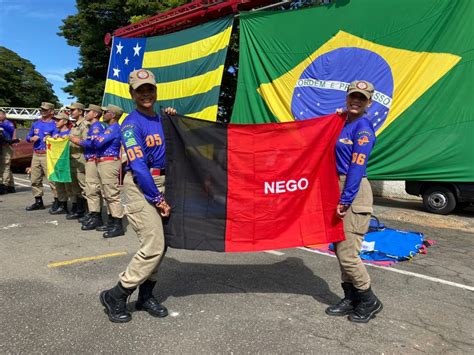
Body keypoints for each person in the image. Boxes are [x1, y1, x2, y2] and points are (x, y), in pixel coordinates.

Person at [100, 69, 175, 323]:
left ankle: (146, 296)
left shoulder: (161, 118)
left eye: (150, 89)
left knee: (161, 247)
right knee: (153, 245)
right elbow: (139, 166)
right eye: (140, 90)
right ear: (131, 93)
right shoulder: (131, 124)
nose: (146, 94)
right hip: (142, 187)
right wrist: (158, 199)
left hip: (164, 182)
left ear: (155, 90)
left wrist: (174, 121)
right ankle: (117, 294)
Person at [325, 80, 383, 323]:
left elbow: (356, 167)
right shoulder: (344, 123)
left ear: (369, 102)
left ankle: (369, 299)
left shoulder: (363, 128)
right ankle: (351, 297)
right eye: (353, 96)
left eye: (362, 98)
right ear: (347, 98)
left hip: (354, 189)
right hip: (338, 187)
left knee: (349, 253)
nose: (356, 101)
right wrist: (336, 118)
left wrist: (346, 199)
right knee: (340, 248)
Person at [88, 104, 125, 238]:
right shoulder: (108, 128)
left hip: (109, 162)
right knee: (106, 193)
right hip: (103, 161)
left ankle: (117, 224)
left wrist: (94, 139)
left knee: (111, 193)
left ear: (113, 115)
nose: (104, 114)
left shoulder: (113, 129)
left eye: (106, 112)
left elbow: (97, 143)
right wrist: (94, 139)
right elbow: (95, 141)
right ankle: (111, 221)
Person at [69, 104, 106, 229]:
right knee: (90, 189)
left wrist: (76, 141)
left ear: (95, 114)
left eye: (89, 111)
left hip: (92, 159)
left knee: (92, 188)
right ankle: (93, 214)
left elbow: (94, 143)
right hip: (89, 159)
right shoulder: (93, 126)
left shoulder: (95, 126)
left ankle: (96, 216)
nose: (86, 113)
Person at [25, 102, 58, 211]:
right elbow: (28, 137)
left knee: (52, 180)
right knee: (35, 179)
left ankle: (58, 201)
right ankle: (38, 201)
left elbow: (58, 140)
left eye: (45, 109)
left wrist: (51, 139)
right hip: (36, 154)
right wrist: (31, 138)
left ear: (51, 112)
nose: (42, 111)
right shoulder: (36, 124)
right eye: (41, 109)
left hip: (48, 154)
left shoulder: (55, 124)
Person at [66, 102, 89, 219]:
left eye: (73, 110)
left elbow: (87, 143)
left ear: (80, 111)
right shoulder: (75, 125)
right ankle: (80, 210)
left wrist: (74, 140)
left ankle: (89, 212)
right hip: (73, 160)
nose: (71, 112)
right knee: (76, 188)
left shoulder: (84, 125)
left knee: (84, 187)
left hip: (80, 160)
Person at [49, 112, 73, 215]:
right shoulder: (56, 134)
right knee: (59, 185)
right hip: (57, 164)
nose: (56, 122)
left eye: (58, 120)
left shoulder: (70, 133)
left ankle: (75, 206)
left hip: (67, 164)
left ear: (65, 121)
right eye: (56, 120)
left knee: (68, 186)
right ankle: (63, 205)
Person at [0, 109, 17, 194]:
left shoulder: (7, 124)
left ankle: (4, 185)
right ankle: (11, 186)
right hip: (2, 147)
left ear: (4, 115)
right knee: (6, 167)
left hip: (6, 146)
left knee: (5, 166)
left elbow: (11, 137)